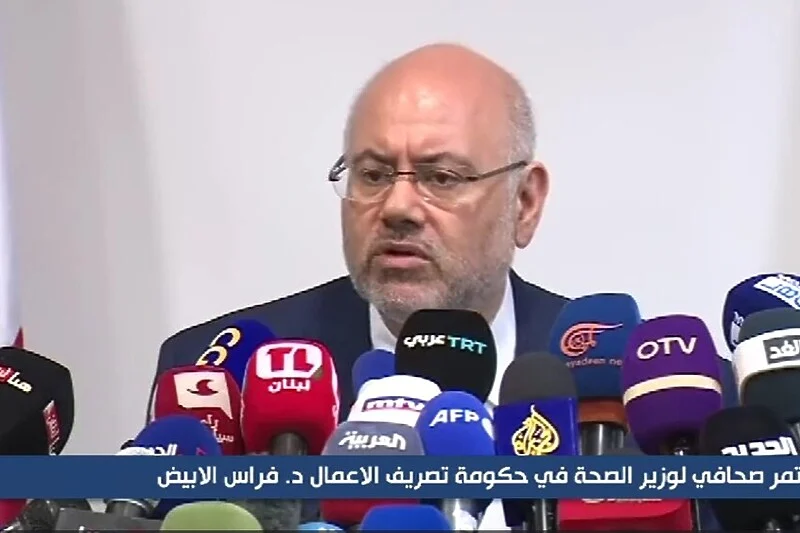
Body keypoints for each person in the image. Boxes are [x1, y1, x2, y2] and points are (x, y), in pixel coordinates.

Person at [153, 43, 568, 413]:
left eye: (442, 178)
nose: (398, 207)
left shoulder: (600, 372)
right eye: (373, 175)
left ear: (525, 202)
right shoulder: (217, 381)